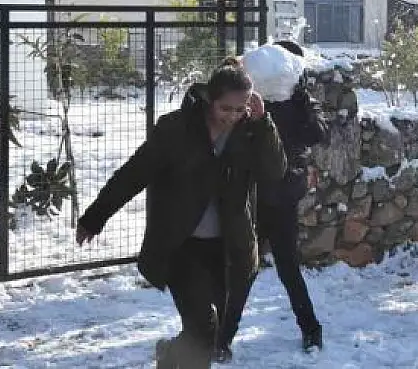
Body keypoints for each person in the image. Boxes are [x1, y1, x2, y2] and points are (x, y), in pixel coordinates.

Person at [76, 58, 286, 369]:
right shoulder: (177, 129)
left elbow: (274, 172)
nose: (232, 117)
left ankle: (169, 354)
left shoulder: (252, 131)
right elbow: (134, 173)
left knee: (205, 334)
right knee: (203, 326)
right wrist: (96, 216)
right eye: (225, 109)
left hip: (229, 247)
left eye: (239, 109)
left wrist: (263, 122)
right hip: (180, 245)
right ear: (209, 100)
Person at [215, 40, 329, 360]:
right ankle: (223, 339)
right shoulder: (250, 100)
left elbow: (317, 133)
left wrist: (299, 100)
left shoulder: (296, 101)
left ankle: (310, 330)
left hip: (281, 196)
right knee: (244, 268)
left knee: (286, 266)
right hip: (251, 194)